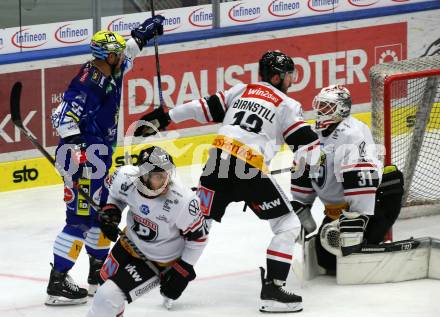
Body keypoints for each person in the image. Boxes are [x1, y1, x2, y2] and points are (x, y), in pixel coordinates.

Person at [134, 51, 320, 313]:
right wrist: (302, 162)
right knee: (287, 225)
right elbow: (309, 143)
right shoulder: (286, 104)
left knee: (198, 225)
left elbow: (202, 107)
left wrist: (167, 117)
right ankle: (274, 291)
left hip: (216, 163)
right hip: (248, 169)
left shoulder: (242, 90)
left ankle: (171, 284)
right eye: (289, 75)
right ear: (277, 77)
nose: (290, 80)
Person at [46, 16, 166, 306]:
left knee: (102, 213)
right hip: (83, 158)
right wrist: (78, 151)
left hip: (98, 155)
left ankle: (96, 275)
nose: (122, 56)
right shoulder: (87, 84)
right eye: (118, 53)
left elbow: (131, 50)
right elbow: (61, 117)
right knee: (79, 220)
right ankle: (57, 283)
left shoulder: (112, 69)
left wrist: (144, 34)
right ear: (107, 57)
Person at [290, 85, 404, 273]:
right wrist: (301, 209)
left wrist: (355, 222)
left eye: (327, 107)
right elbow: (302, 174)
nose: (320, 111)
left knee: (392, 177)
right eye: (320, 105)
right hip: (336, 213)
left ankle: (368, 235)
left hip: (370, 206)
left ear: (341, 109)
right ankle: (357, 236)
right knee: (328, 261)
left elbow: (360, 178)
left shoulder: (352, 134)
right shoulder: (311, 135)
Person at [86, 145, 208, 316]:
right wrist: (112, 211)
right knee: (104, 287)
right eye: (158, 176)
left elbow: (198, 238)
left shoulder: (183, 200)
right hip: (128, 245)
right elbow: (114, 195)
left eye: (166, 174)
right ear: (143, 175)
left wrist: (183, 269)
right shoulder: (125, 177)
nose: (165, 181)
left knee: (109, 295)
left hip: (158, 261)